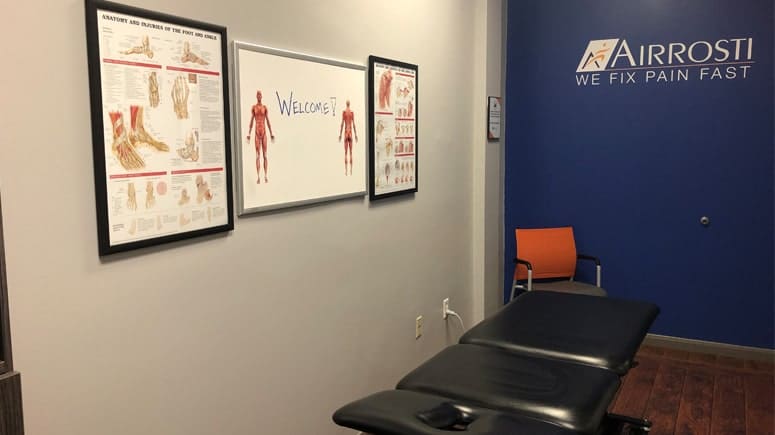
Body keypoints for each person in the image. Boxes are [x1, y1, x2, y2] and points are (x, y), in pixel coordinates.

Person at [246, 90, 275, 183]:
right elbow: (251, 121)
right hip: (256, 133)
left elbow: (267, 120)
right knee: (257, 155)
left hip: (264, 132)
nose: (259, 96)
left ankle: (265, 176)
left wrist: (271, 133)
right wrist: (249, 134)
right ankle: (258, 176)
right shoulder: (254, 108)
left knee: (265, 155)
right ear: (256, 96)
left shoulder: (264, 108)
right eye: (257, 94)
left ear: (261, 96)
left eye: (260, 94)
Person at [338, 100, 358, 175]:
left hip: (346, 132)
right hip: (351, 133)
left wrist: (340, 135)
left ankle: (346, 171)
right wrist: (355, 135)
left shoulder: (344, 112)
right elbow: (354, 125)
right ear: (350, 104)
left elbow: (342, 124)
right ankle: (351, 171)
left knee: (346, 153)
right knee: (351, 153)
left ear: (346, 104)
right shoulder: (352, 113)